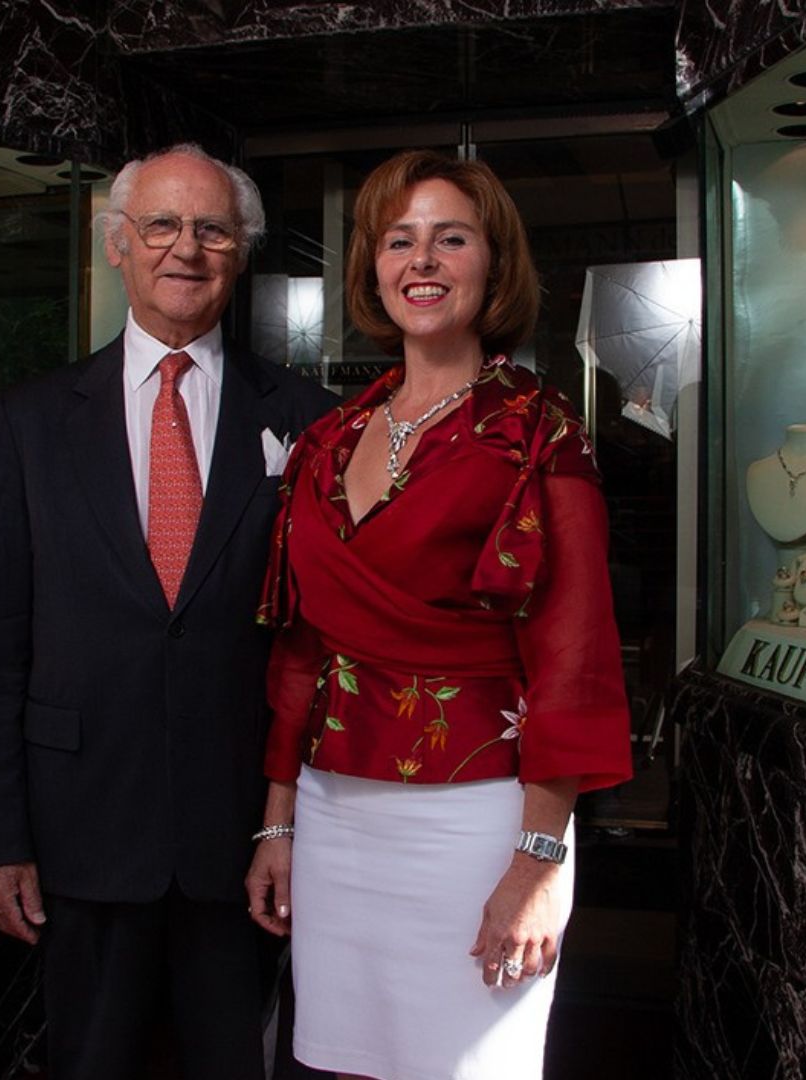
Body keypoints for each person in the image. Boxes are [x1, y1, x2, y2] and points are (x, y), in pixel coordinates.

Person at [244, 149, 633, 1079]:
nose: (422, 260)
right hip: (335, 817)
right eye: (399, 240)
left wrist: (538, 861)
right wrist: (278, 823)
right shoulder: (327, 439)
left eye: (450, 238)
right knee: (341, 1063)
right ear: (373, 269)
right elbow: (299, 654)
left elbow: (574, 656)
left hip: (480, 821)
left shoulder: (540, 429)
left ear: (492, 264)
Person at [0, 143, 336, 1080]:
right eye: (161, 224)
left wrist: (289, 821)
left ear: (241, 250)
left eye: (213, 229)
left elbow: (318, 638)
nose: (186, 248)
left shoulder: (312, 419)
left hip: (241, 839)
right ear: (116, 245)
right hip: (79, 834)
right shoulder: (30, 419)